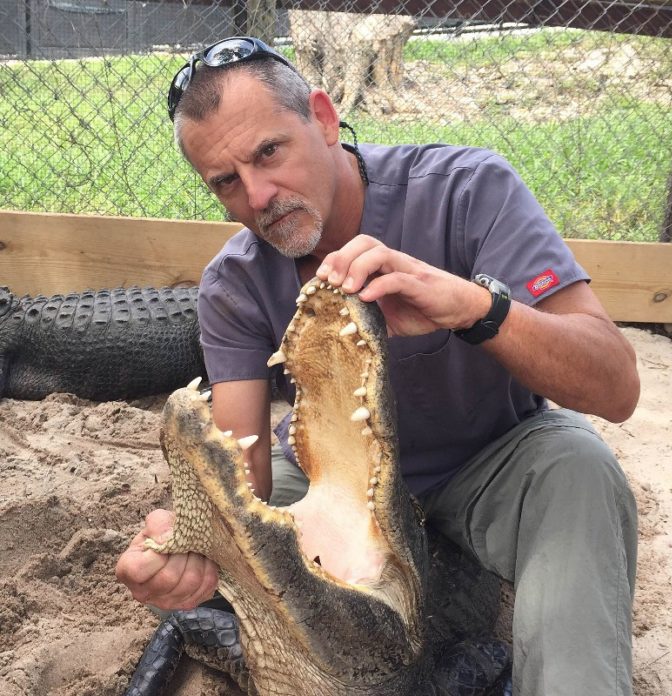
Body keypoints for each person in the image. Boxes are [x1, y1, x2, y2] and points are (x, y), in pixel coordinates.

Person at [116, 37, 640, 695]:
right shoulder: (234, 282)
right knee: (211, 548)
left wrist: (474, 307)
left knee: (582, 469)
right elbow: (242, 467)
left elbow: (617, 386)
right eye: (225, 181)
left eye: (268, 152)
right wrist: (190, 536)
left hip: (494, 457)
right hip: (328, 478)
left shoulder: (468, 190)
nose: (258, 195)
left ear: (324, 118)